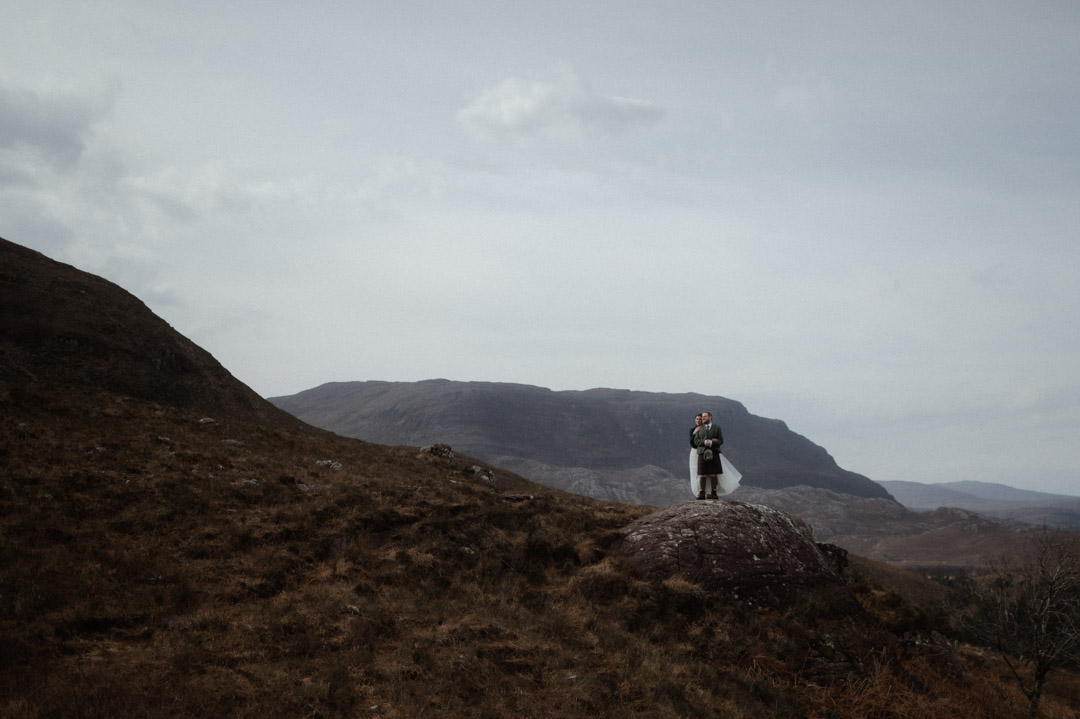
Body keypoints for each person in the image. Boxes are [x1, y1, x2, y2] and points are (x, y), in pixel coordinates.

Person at [692, 410, 724, 499]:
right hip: (702, 452)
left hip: (714, 452)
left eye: (705, 416)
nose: (703, 418)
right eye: (702, 417)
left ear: (710, 417)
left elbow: (721, 441)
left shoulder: (717, 428)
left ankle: (714, 492)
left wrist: (713, 443)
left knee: (713, 473)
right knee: (702, 473)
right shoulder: (699, 428)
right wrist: (705, 442)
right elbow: (695, 441)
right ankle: (702, 493)